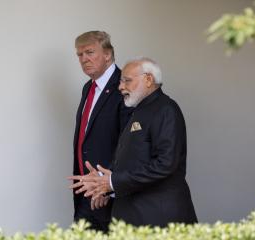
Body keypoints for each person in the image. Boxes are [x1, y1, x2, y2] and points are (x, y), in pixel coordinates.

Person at [69, 57, 198, 227]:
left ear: (149, 79)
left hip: (159, 219)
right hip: (138, 216)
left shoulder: (165, 109)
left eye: (127, 80)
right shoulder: (139, 110)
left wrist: (112, 182)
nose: (121, 87)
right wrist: (102, 181)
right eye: (121, 81)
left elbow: (165, 164)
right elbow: (132, 159)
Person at [72, 31, 132, 231]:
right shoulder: (87, 87)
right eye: (79, 55)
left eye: (89, 52)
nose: (84, 59)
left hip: (108, 195)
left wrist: (106, 185)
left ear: (107, 54)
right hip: (85, 191)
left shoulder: (125, 85)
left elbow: (128, 142)